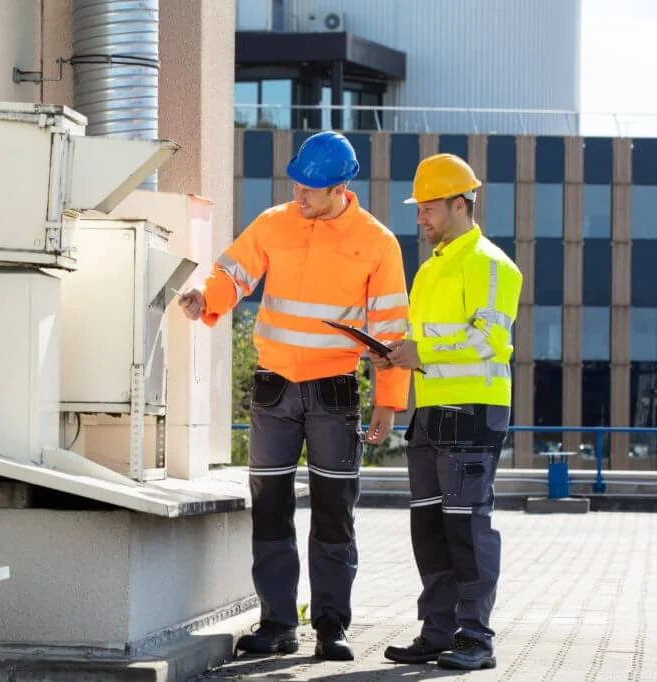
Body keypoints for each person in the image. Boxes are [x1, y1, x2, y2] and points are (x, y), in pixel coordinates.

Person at [178, 131, 410, 660]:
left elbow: (392, 331)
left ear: (342, 187)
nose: (301, 194)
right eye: (298, 184)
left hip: (334, 393)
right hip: (274, 389)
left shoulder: (377, 243)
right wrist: (205, 298)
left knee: (334, 512)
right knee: (271, 510)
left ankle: (331, 628)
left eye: (312, 188)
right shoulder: (273, 223)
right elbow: (233, 273)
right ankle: (278, 623)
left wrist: (388, 402)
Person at [373, 153, 523, 671]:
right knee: (430, 529)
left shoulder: (491, 264)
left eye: (428, 207)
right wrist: (395, 351)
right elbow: (428, 340)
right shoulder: (433, 268)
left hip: (473, 413)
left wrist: (422, 352)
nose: (420, 217)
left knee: (467, 527)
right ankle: (437, 633)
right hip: (432, 412)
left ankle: (475, 639)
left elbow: (490, 341)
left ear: (459, 204)